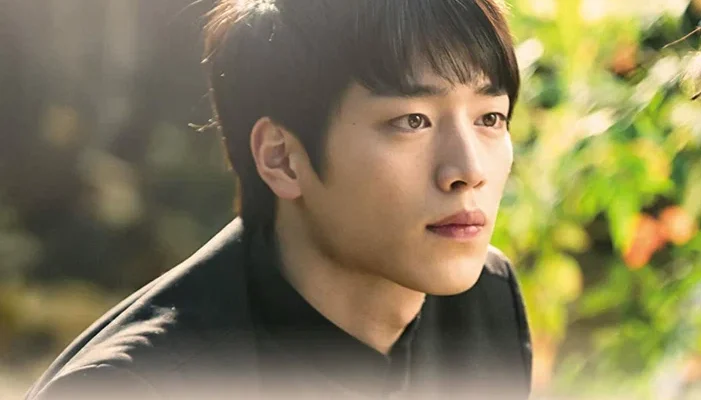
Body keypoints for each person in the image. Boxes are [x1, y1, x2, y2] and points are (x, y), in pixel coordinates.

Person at [25, 0, 532, 398]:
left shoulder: (484, 303)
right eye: (412, 121)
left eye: (490, 118)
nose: (468, 171)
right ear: (283, 158)